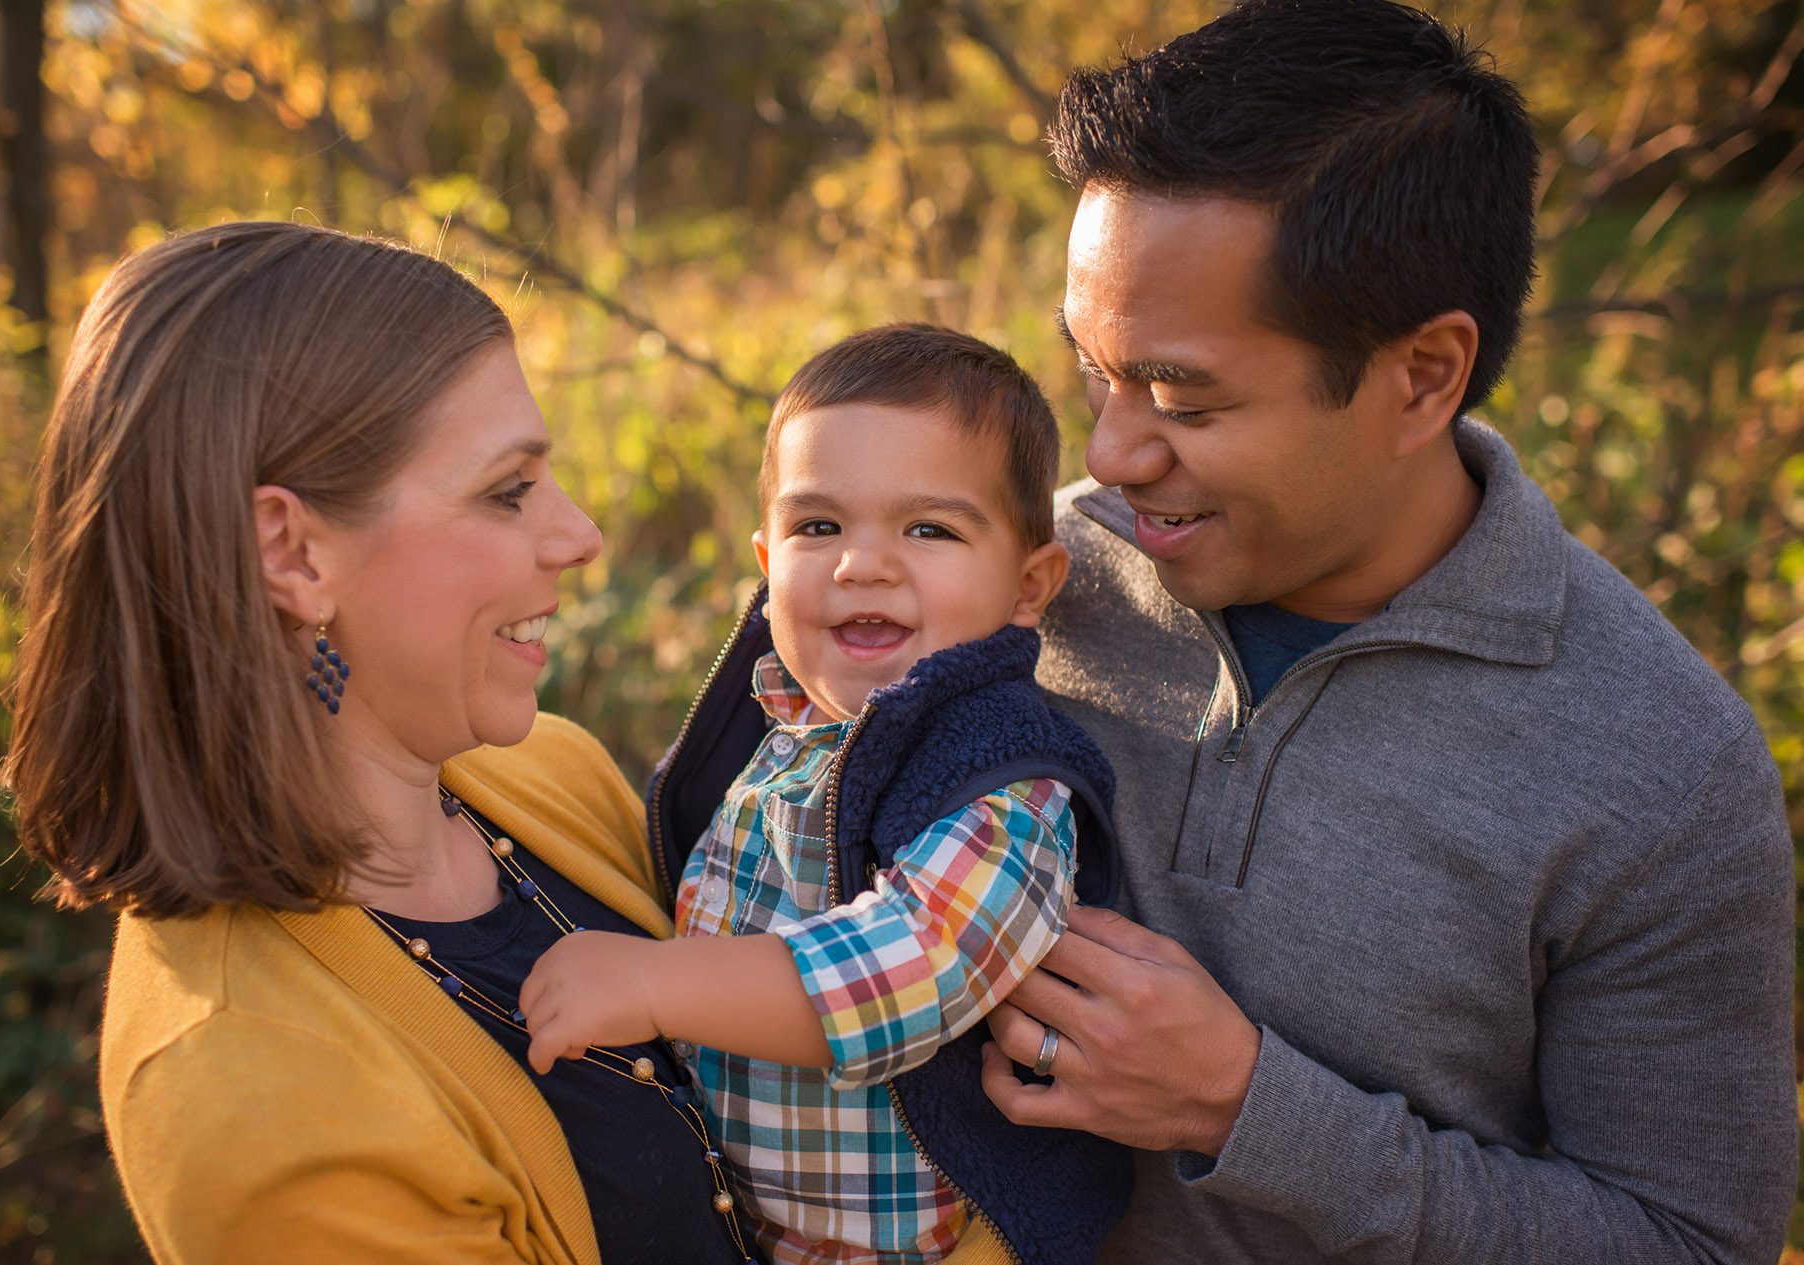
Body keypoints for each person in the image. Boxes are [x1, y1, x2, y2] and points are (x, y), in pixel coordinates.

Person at [973, 2, 1799, 1262]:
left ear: (1423, 375)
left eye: (1183, 395)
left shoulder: (1663, 768)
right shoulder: (1012, 587)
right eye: (1096, 371)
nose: (1110, 453)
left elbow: (1691, 1240)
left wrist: (1248, 1109)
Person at [0, 220, 765, 1264]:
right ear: (294, 551)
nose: (580, 534)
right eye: (508, 490)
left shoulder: (547, 773)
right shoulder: (255, 1096)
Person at [516, 324, 1132, 1265]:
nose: (863, 564)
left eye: (929, 528)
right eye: (819, 527)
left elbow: (911, 966)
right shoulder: (785, 730)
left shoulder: (1006, 782)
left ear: (1027, 584)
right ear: (766, 566)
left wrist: (653, 984)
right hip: (755, 1224)